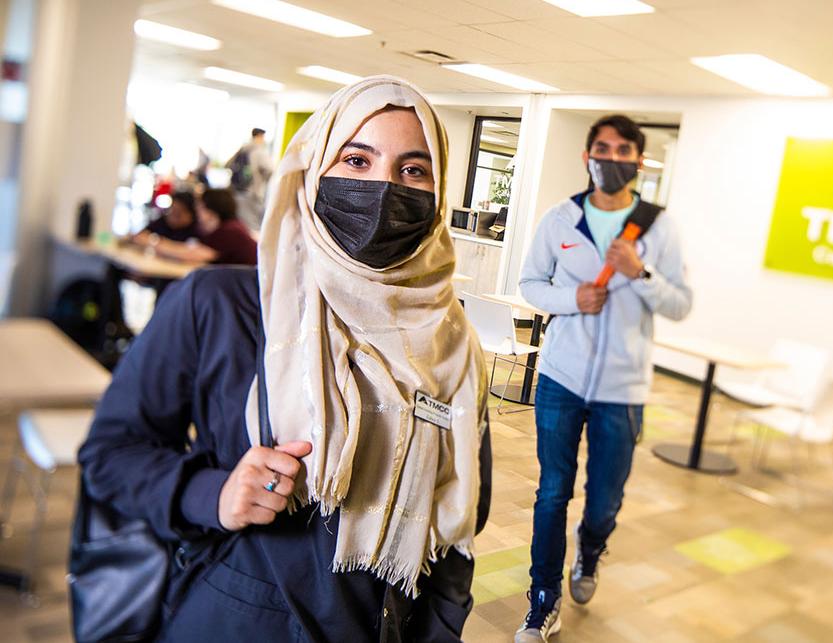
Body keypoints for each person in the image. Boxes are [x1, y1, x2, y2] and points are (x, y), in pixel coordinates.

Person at [77, 76, 492, 642]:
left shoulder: (453, 346)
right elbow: (111, 454)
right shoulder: (219, 304)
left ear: (438, 193)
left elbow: (457, 533)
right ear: (313, 171)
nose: (383, 188)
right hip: (231, 621)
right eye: (356, 160)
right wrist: (214, 495)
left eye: (413, 171)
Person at [515, 114, 693, 642]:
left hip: (623, 387)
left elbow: (682, 304)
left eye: (622, 150)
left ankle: (590, 547)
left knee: (605, 499)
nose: (610, 158)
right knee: (552, 492)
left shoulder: (660, 226)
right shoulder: (560, 219)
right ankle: (542, 601)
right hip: (561, 378)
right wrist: (572, 299)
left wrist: (640, 273)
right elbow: (529, 283)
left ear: (638, 161)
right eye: (601, 148)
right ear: (587, 155)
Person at [149, 188, 257, 265]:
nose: (197, 211)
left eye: (200, 207)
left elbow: (191, 255)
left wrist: (154, 242)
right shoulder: (230, 226)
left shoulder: (229, 231)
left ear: (211, 211)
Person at [229, 127, 275, 230]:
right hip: (252, 193)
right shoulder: (259, 151)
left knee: (239, 223)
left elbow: (228, 165)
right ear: (259, 136)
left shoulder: (242, 149)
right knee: (253, 226)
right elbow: (271, 169)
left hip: (237, 191)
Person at [133, 190, 200, 243]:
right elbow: (140, 236)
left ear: (191, 215)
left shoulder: (195, 230)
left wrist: (156, 242)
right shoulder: (163, 221)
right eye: (172, 210)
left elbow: (191, 251)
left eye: (178, 214)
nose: (173, 216)